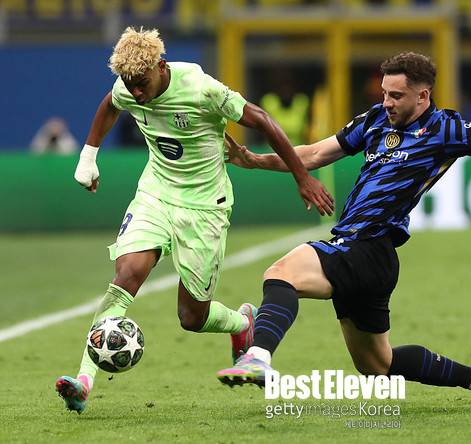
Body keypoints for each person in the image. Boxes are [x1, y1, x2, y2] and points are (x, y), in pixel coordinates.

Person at [216, 52, 471, 409]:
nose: (387, 102)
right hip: (371, 257)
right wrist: (254, 160)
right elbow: (312, 154)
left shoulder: (446, 128)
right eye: (384, 93)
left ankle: (258, 355)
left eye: (396, 95)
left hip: (367, 247)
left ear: (423, 95)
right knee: (377, 365)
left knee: (281, 274)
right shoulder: (375, 120)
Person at [55, 26, 334, 414]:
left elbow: (262, 120)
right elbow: (110, 105)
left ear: (161, 67)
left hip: (205, 208)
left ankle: (242, 323)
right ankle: (83, 381)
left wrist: (302, 178)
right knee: (127, 275)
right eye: (130, 85)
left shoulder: (201, 88)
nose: (136, 93)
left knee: (192, 316)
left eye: (141, 84)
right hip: (156, 195)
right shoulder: (128, 85)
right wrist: (88, 157)